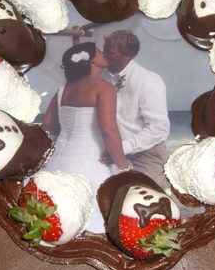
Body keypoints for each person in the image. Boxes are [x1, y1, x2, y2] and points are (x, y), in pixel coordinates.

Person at [42, 42, 129, 233]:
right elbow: (109, 131)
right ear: (91, 60)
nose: (103, 53)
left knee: (59, 215)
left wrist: (67, 134)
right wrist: (123, 167)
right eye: (99, 51)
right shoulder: (103, 87)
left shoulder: (63, 88)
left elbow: (48, 122)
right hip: (92, 159)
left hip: (60, 158)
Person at [101, 30, 170, 190]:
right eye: (103, 49)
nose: (103, 55)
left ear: (127, 55)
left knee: (155, 203)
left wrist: (119, 149)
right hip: (110, 152)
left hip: (146, 155)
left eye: (110, 52)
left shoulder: (149, 81)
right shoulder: (102, 77)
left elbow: (158, 129)